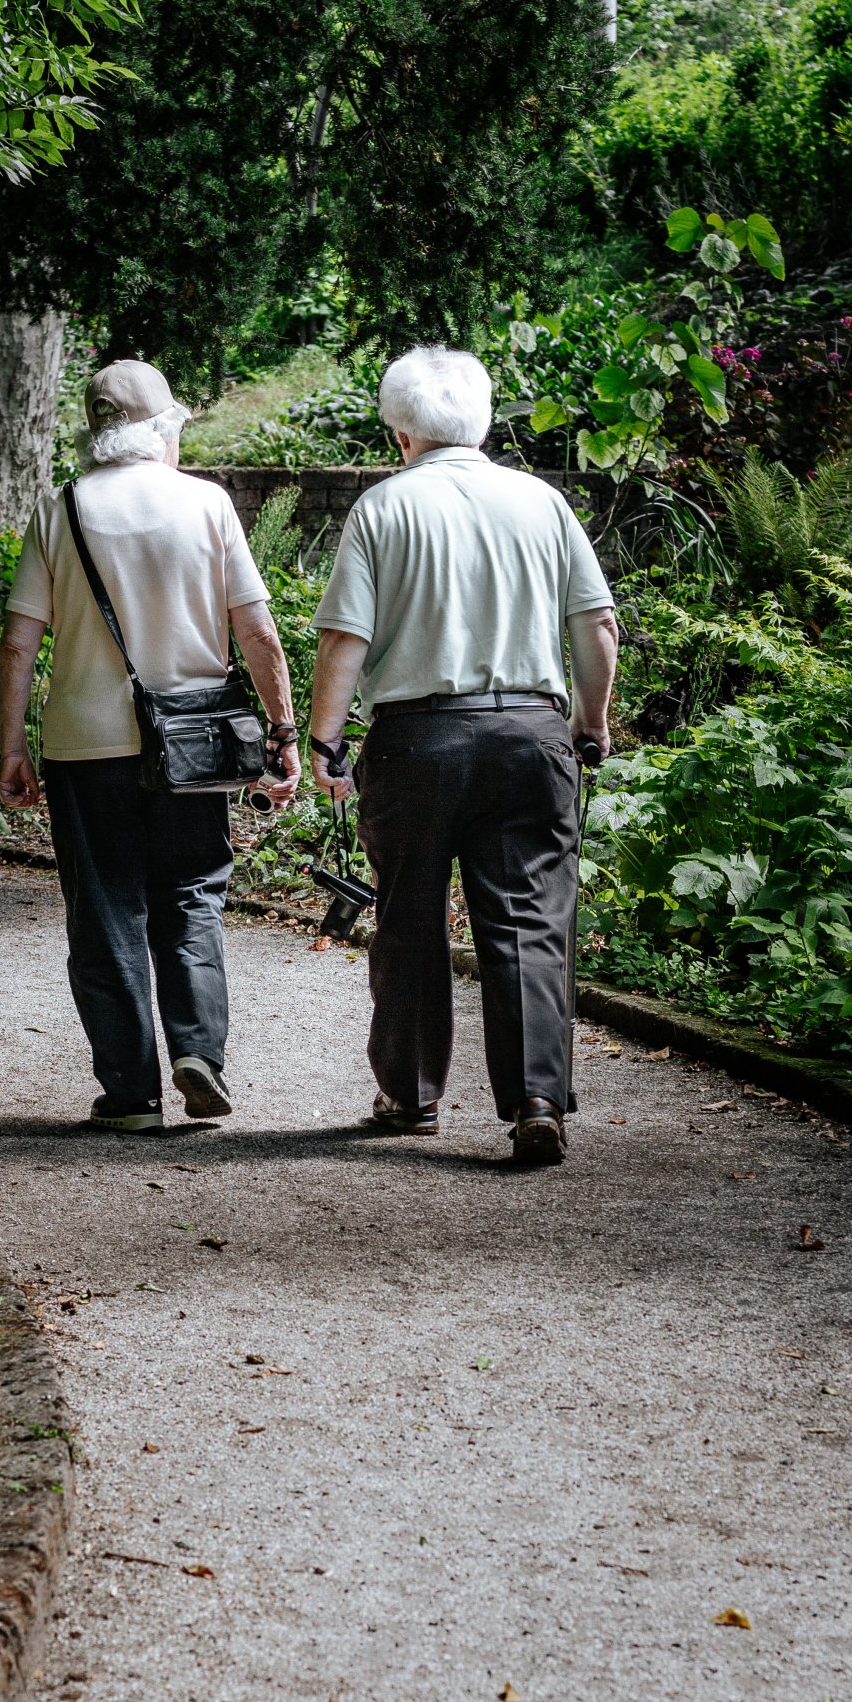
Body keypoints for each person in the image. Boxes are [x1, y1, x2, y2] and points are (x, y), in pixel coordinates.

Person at [308, 344, 618, 1165]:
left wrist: (326, 740)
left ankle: (410, 1096)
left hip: (416, 740)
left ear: (400, 431)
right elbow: (596, 625)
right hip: (529, 732)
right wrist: (592, 723)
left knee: (408, 914)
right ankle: (537, 1099)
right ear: (482, 421)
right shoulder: (542, 502)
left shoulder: (383, 508)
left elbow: (346, 639)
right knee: (528, 920)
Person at [0, 358, 301, 1132]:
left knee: (104, 911)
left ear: (96, 433)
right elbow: (257, 631)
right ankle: (199, 1051)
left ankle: (130, 1092)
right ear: (162, 427)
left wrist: (11, 748)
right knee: (193, 892)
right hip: (195, 744)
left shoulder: (58, 509)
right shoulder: (207, 503)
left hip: (84, 747)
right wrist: (283, 730)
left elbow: (17, 645)